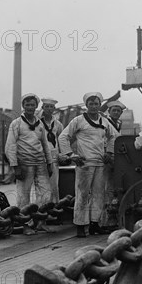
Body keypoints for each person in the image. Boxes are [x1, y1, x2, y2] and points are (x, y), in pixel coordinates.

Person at [58, 92, 118, 237]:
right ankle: (80, 225)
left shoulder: (104, 121)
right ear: (86, 105)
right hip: (84, 163)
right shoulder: (78, 120)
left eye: (96, 103)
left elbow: (114, 136)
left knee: (99, 195)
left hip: (100, 163)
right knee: (82, 194)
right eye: (90, 104)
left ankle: (94, 224)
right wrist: (71, 155)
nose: (93, 106)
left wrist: (109, 153)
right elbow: (63, 137)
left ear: (99, 105)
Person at [5, 94, 53, 235]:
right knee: (23, 196)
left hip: (40, 163)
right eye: (27, 105)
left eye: (33, 105)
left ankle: (39, 222)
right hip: (24, 164)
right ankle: (24, 225)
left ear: (36, 106)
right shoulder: (16, 124)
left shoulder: (40, 124)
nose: (30, 107)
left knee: (45, 194)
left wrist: (49, 163)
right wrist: (15, 166)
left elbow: (45, 145)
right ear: (23, 106)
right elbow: (10, 146)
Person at [100, 100, 126, 229]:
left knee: (115, 188)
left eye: (118, 111)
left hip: (117, 159)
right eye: (114, 110)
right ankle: (105, 220)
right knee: (108, 188)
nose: (116, 112)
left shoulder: (119, 124)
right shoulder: (105, 123)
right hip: (106, 158)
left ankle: (114, 217)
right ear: (109, 112)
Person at [39, 97, 64, 210]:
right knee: (42, 187)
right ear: (42, 108)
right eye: (46, 106)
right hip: (40, 157)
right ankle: (41, 211)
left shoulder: (57, 124)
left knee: (54, 186)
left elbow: (62, 139)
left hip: (54, 158)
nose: (49, 109)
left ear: (54, 108)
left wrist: (61, 154)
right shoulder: (37, 122)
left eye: (51, 107)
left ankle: (53, 211)